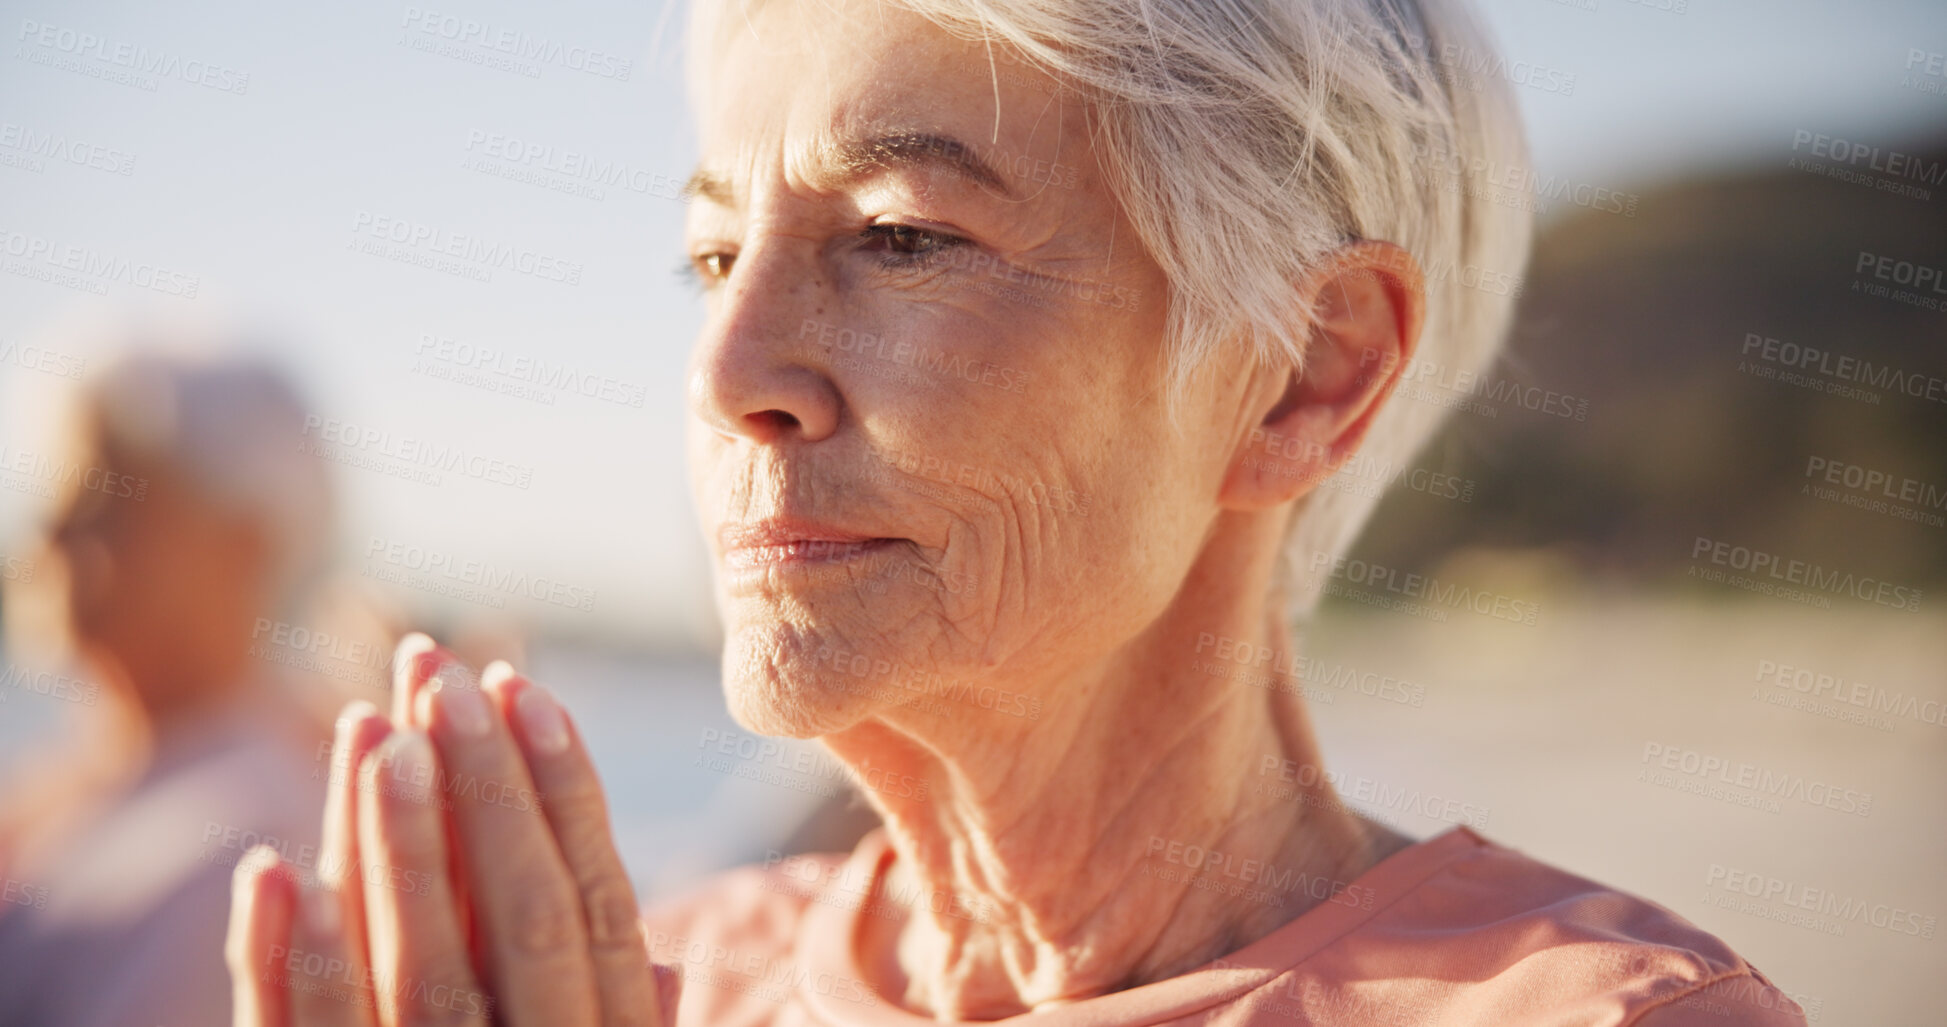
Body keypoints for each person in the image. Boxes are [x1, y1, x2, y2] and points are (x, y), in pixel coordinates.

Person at [227, 0, 1810, 1023]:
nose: (728, 370)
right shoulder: (667, 976)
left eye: (901, 238)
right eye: (712, 258)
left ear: (1299, 377)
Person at [0, 345, 334, 1026]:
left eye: (104, 498)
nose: (53, 531)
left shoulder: (254, 838)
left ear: (246, 543)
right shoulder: (76, 785)